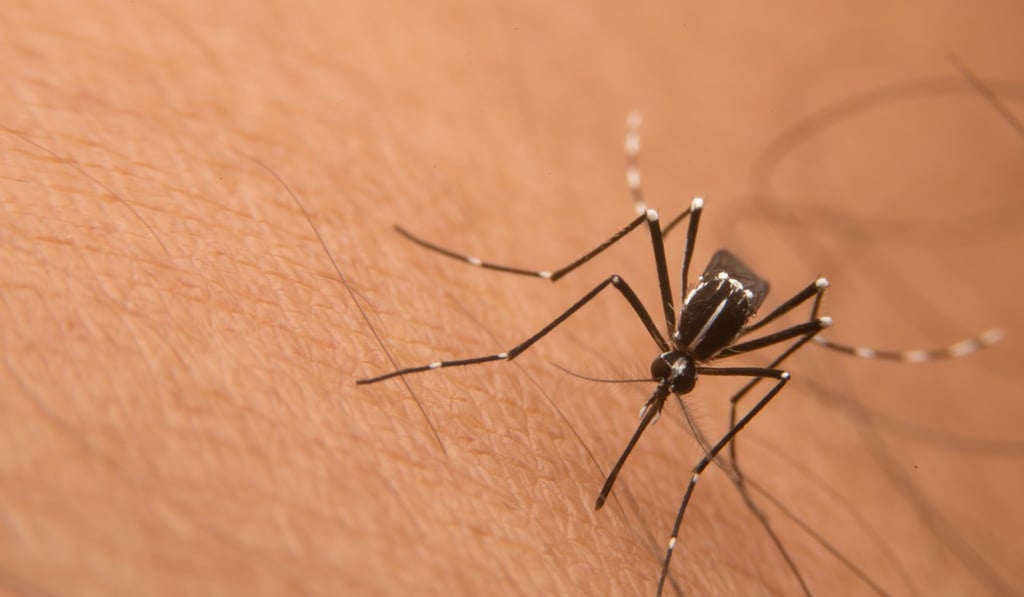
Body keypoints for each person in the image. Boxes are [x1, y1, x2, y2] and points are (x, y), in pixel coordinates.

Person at [3, 2, 1021, 595]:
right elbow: (638, 253)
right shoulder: (667, 327)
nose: (660, 384)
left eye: (669, 378)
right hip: (715, 286)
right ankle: (505, 315)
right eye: (668, 375)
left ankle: (722, 466)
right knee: (638, 253)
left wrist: (717, 465)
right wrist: (516, 303)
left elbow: (772, 355)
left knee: (807, 330)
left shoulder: (730, 355)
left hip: (741, 301)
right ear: (672, 358)